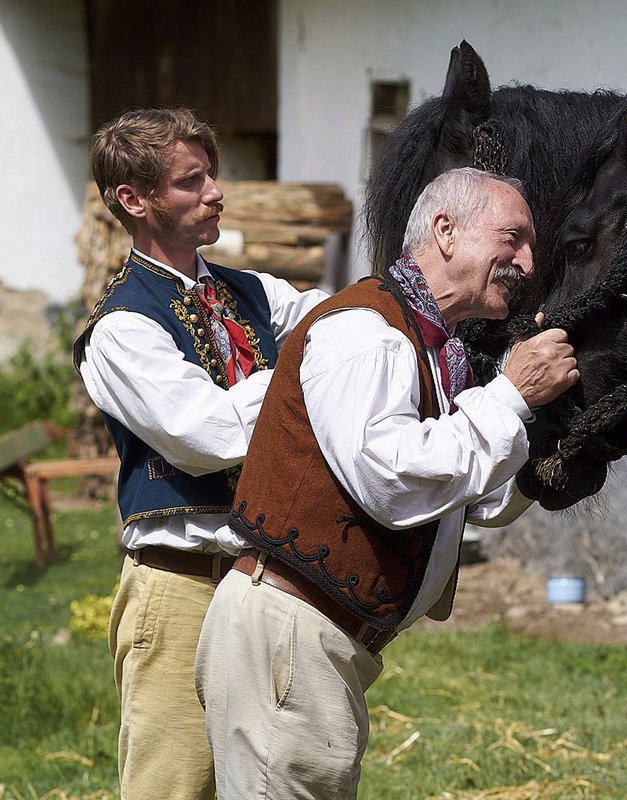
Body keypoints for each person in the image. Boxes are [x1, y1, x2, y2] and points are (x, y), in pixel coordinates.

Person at [195, 166, 578, 798]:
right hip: (290, 634)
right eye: (512, 239)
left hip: (315, 641)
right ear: (445, 232)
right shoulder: (364, 333)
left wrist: (544, 463)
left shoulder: (431, 347)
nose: (528, 262)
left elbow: (458, 497)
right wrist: (509, 396)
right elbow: (394, 479)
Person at [74, 108, 328, 799]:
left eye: (211, 174)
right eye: (191, 181)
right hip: (180, 585)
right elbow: (207, 435)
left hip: (264, 583)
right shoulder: (122, 327)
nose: (215, 191)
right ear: (134, 200)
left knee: (271, 780)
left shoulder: (249, 293)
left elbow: (337, 322)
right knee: (175, 787)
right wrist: (307, 368)